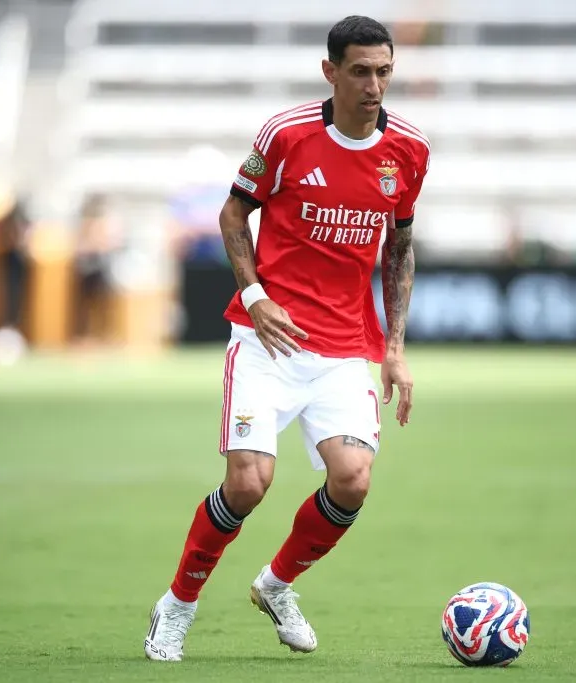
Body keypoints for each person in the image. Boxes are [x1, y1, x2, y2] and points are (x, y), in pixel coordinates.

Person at [144, 15, 430, 662]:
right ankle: (177, 605)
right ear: (330, 71)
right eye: (360, 71)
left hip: (340, 349)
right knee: (248, 483)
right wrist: (255, 295)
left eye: (385, 71)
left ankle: (276, 585)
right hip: (266, 342)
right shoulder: (287, 134)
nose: (375, 85)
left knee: (353, 478)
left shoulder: (409, 151)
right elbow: (232, 212)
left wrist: (394, 347)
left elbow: (400, 247)